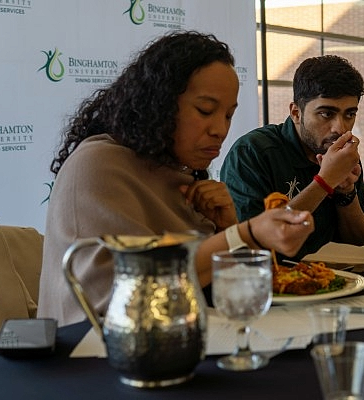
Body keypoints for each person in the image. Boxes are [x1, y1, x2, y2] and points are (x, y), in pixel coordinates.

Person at [37, 31, 314, 327]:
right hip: (90, 359)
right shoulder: (97, 165)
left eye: (228, 115)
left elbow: (232, 294)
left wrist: (227, 225)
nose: (220, 129)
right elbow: (126, 297)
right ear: (158, 103)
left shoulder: (180, 173)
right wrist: (243, 235)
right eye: (205, 110)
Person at [219, 55, 364, 261]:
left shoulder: (342, 155)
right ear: (296, 113)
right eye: (326, 114)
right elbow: (251, 248)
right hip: (275, 284)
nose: (340, 128)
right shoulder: (252, 152)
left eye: (349, 114)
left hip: (335, 279)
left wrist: (345, 193)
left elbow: (362, 240)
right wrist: (325, 181)